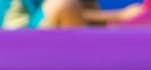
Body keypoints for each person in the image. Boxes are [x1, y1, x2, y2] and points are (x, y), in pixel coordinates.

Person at [3, 0, 142, 29]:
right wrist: (120, 15)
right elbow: (65, 10)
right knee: (64, 5)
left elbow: (97, 22)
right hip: (17, 40)